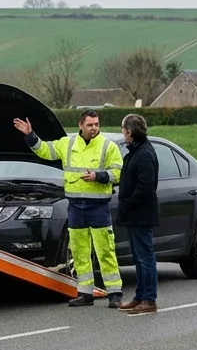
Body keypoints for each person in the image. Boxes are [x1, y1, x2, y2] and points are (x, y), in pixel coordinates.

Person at [12, 110, 125, 307]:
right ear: (80, 125)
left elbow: (118, 173)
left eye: (97, 124)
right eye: (90, 125)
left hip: (98, 206)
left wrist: (99, 176)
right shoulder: (68, 143)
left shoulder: (109, 147)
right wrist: (30, 135)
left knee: (105, 250)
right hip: (75, 207)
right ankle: (85, 293)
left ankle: (115, 294)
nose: (94, 128)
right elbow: (45, 150)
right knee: (79, 251)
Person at [116, 113, 159, 313]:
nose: (122, 134)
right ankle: (140, 296)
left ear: (130, 132)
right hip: (133, 214)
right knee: (138, 257)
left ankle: (149, 299)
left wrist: (129, 203)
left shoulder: (145, 154)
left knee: (145, 257)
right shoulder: (135, 151)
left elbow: (145, 187)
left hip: (141, 213)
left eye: (123, 130)